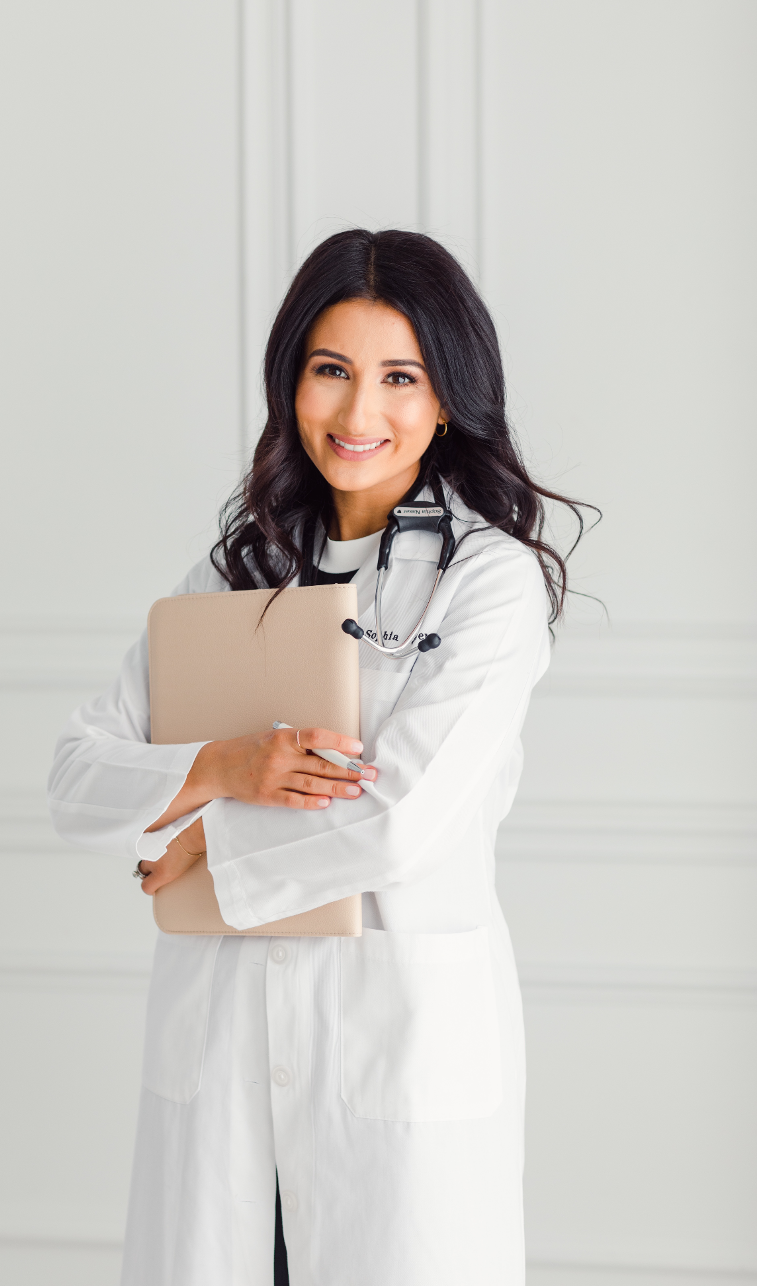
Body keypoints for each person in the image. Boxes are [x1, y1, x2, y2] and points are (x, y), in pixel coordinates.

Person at [48, 229, 588, 1285]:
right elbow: (75, 776)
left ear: (447, 400)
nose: (357, 414)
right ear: (290, 380)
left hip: (394, 1053)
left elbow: (400, 820)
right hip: (223, 1052)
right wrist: (218, 767)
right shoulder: (237, 569)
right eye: (330, 371)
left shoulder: (489, 583)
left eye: (400, 377)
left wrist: (209, 851)